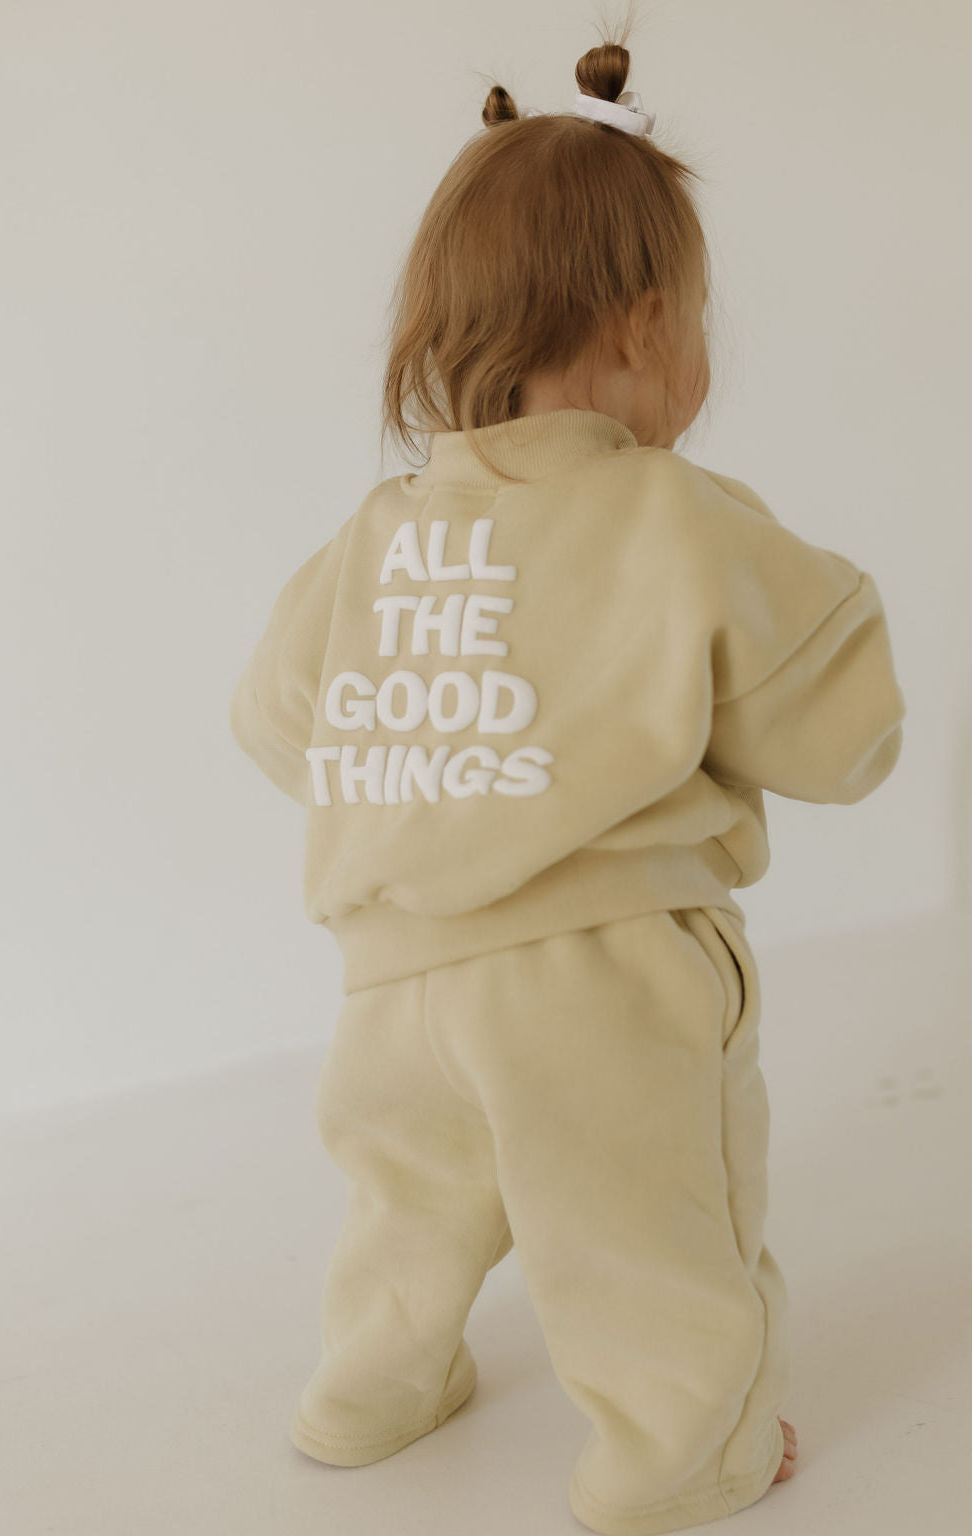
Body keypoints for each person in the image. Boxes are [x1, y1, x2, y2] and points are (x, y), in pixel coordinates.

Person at [228, 30, 904, 1536]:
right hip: (602, 986)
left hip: (390, 984)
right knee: (646, 1227)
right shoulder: (672, 513)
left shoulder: (377, 531)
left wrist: (442, 769)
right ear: (648, 326)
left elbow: (281, 720)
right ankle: (687, 1460)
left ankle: (367, 1397)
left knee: (408, 1207)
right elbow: (840, 731)